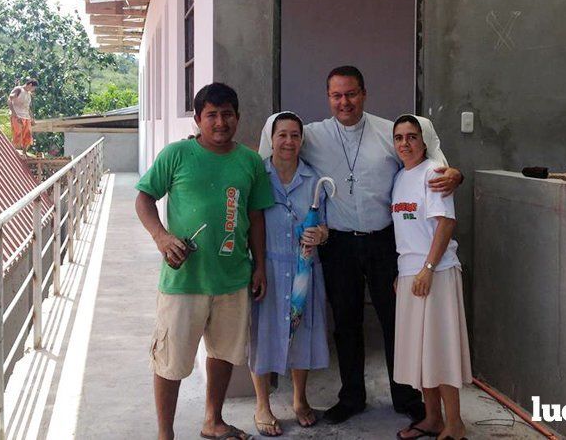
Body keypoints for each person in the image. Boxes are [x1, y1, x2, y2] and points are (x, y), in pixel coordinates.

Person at [258, 66, 463, 424]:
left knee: (394, 319)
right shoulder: (313, 135)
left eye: (351, 94)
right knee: (346, 321)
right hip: (338, 243)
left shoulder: (389, 131)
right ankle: (351, 395)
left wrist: (453, 173)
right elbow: (275, 149)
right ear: (328, 98)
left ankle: (406, 394)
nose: (344, 102)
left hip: (384, 240)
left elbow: (432, 159)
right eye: (336, 95)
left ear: (364, 93)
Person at [136, 82, 273, 440]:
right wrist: (162, 237)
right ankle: (165, 433)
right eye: (211, 114)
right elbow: (144, 198)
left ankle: (213, 420)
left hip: (232, 278)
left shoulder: (250, 161)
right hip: (185, 280)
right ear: (198, 119)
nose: (220, 122)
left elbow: (256, 216)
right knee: (171, 361)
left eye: (227, 114)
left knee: (224, 354)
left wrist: (260, 266)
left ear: (237, 118)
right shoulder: (177, 155)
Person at [391, 115, 472, 440]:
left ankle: (455, 424)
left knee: (440, 349)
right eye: (399, 138)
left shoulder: (434, 173)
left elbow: (445, 224)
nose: (405, 144)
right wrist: (405, 272)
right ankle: (432, 419)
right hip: (411, 273)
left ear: (425, 141)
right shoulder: (400, 177)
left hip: (435, 273)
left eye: (412, 137)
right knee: (421, 352)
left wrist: (426, 268)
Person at [249, 111, 330, 437]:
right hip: (267, 267)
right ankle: (262, 405)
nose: (288, 141)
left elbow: (326, 224)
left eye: (295, 135)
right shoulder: (258, 176)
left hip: (303, 270)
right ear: (271, 138)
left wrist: (320, 234)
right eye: (282, 135)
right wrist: (255, 266)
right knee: (263, 334)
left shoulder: (314, 180)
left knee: (303, 333)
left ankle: (299, 399)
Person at [8, 78, 37, 152]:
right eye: (33, 88)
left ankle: (24, 153)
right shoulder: (19, 89)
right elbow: (9, 100)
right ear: (30, 85)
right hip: (17, 115)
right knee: (17, 134)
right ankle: (14, 152)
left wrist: (32, 118)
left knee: (27, 136)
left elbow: (27, 108)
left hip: (26, 116)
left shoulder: (28, 94)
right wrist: (14, 115)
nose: (33, 90)